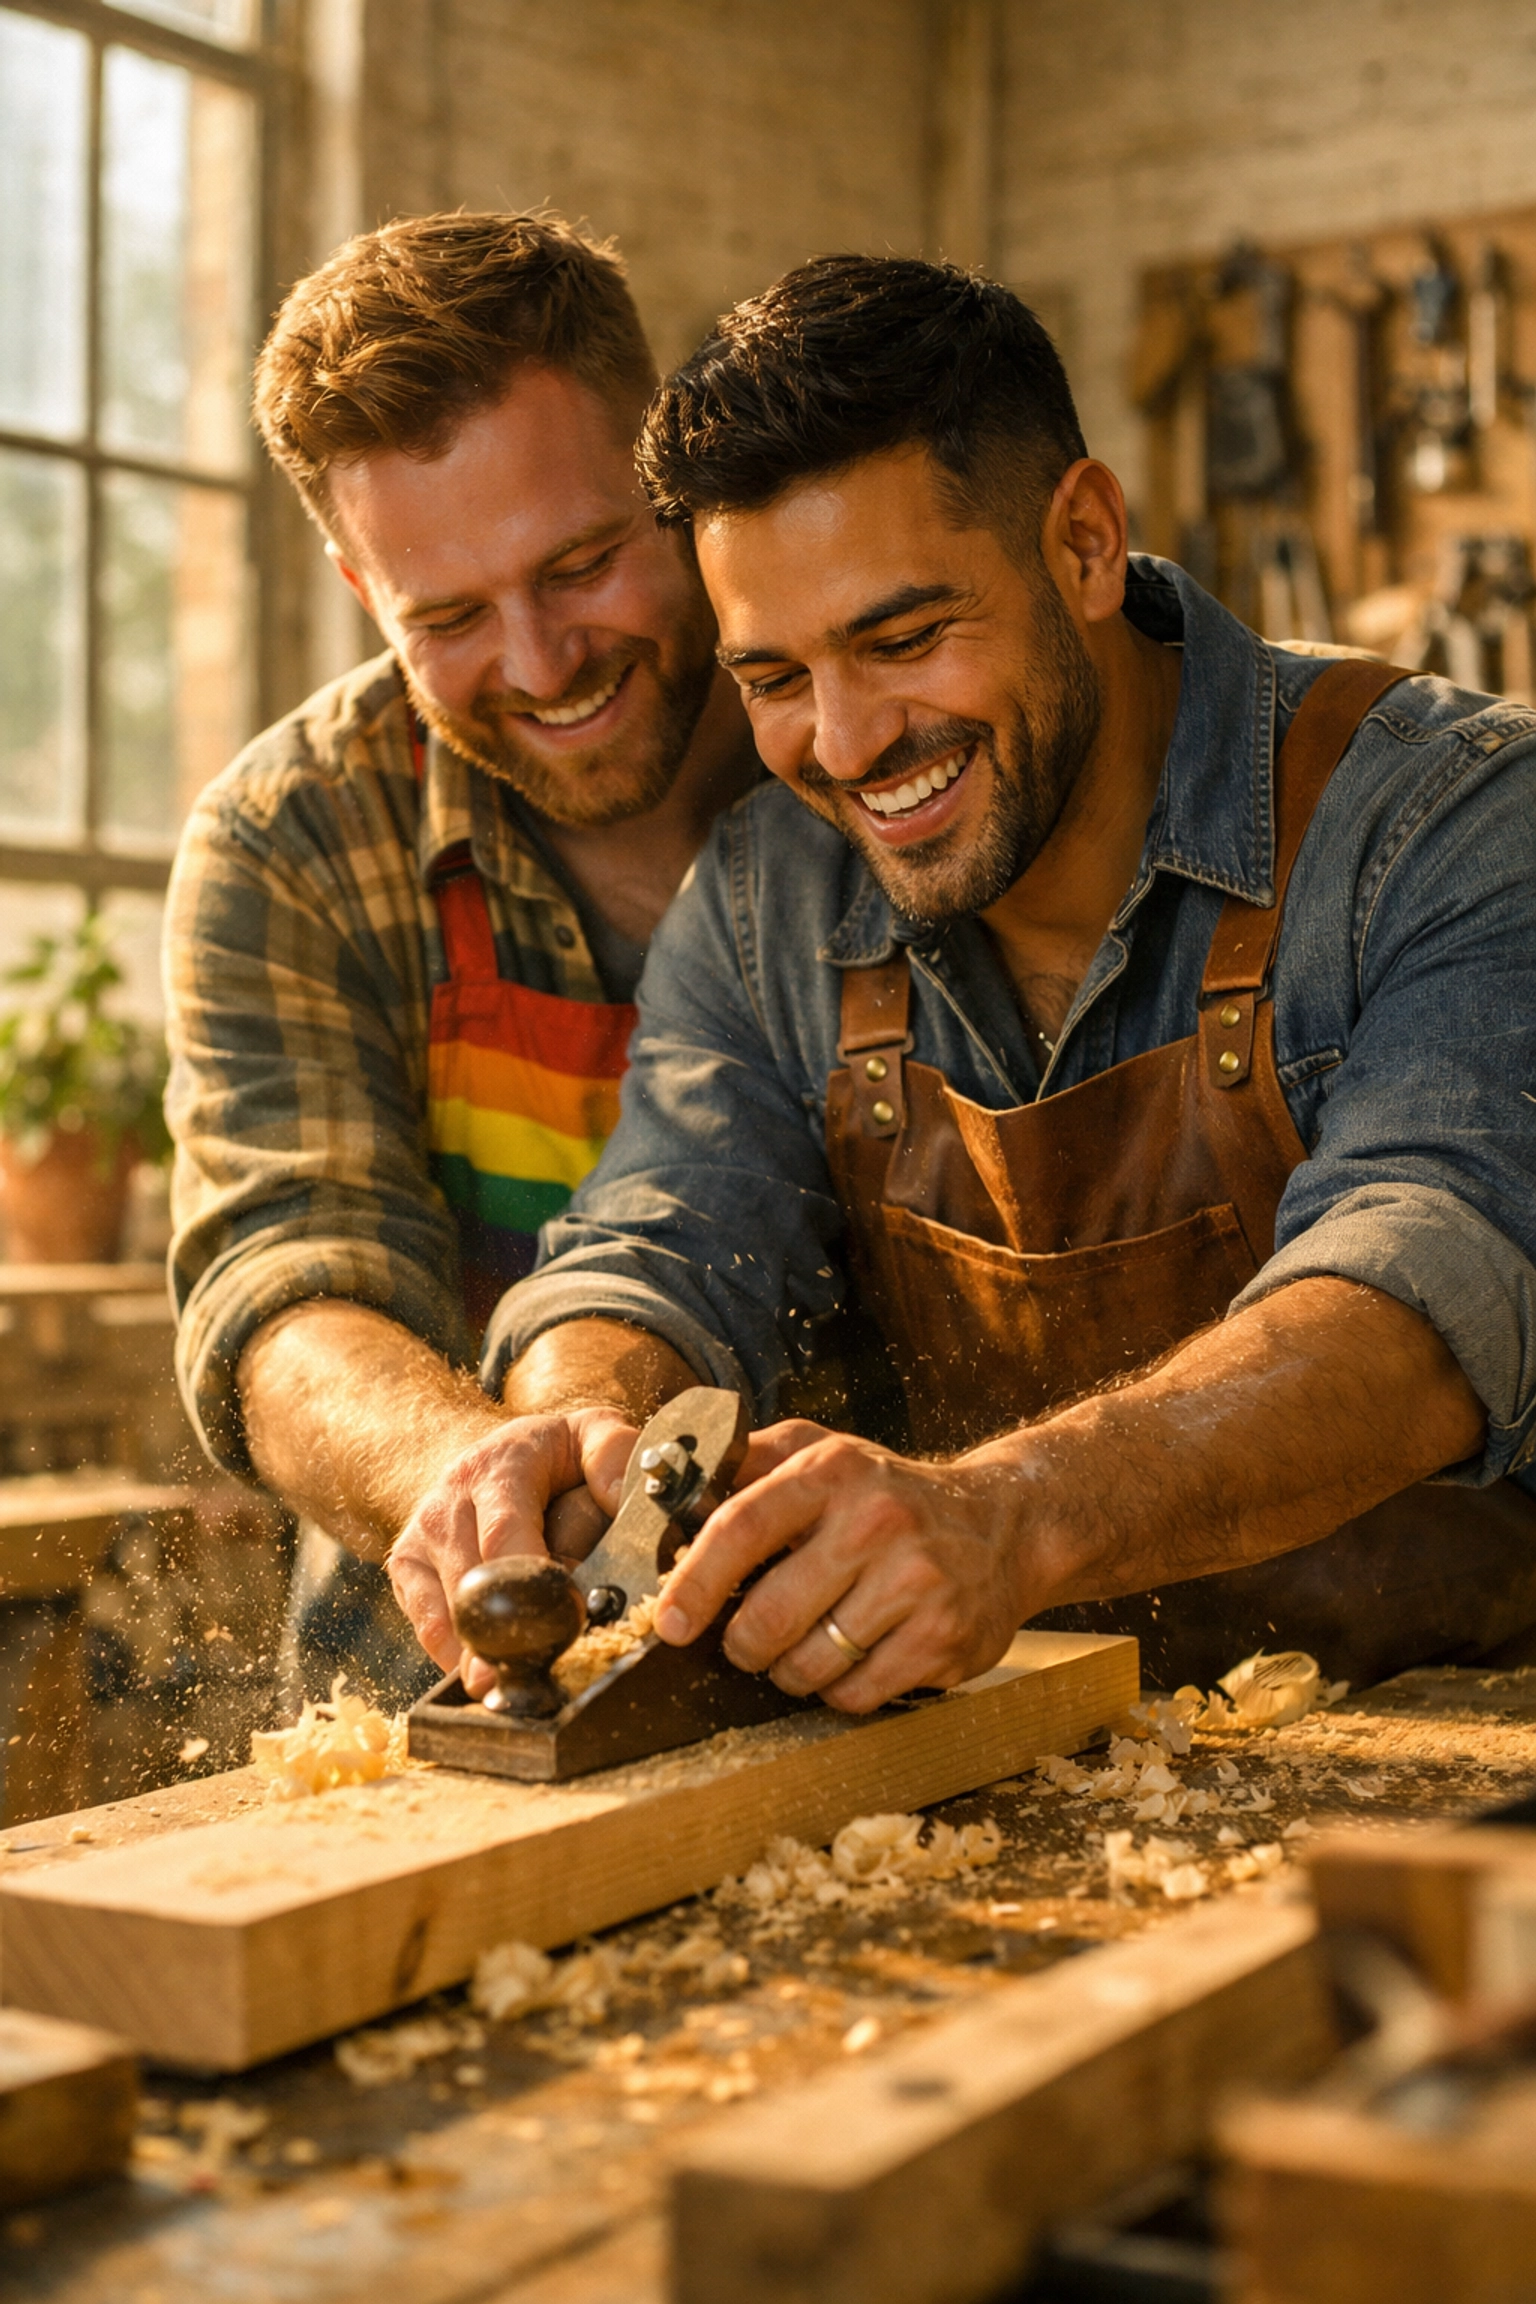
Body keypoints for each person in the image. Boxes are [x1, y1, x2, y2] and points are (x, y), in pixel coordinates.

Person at [381, 253, 1536, 1707]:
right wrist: (574, 1429)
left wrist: (1009, 1515)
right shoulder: (763, 895)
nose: (849, 744)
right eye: (776, 679)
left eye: (905, 637)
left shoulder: (1459, 820)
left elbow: (1428, 1291)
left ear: (1086, 543)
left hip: (1474, 1763)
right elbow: (667, 1240)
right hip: (1045, 1769)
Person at [164, 211, 758, 1692]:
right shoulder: (286, 844)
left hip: (886, 1672)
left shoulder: (857, 752)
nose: (543, 665)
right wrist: (479, 1481)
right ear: (366, 597)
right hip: (435, 1694)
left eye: (580, 563)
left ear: (670, 475)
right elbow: (287, 1280)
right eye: (450, 618)